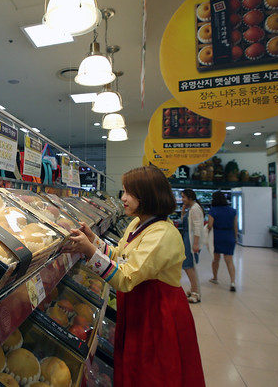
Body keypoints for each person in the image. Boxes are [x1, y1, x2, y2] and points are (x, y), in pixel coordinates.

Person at [65, 166, 205, 387]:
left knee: (153, 372)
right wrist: (93, 241)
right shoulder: (138, 223)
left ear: (147, 194)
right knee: (133, 366)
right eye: (123, 191)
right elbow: (121, 256)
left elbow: (126, 278)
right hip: (139, 307)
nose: (123, 198)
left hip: (157, 312)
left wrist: (90, 252)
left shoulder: (163, 234)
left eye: (129, 192)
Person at [207, 191, 238, 291]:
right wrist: (235, 237)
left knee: (216, 259)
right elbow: (235, 225)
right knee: (229, 261)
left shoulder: (213, 210)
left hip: (217, 236)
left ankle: (215, 277)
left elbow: (210, 225)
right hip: (229, 235)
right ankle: (232, 282)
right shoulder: (232, 211)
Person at [180, 189, 204, 303]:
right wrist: (183, 212)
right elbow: (184, 222)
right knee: (190, 265)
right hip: (187, 239)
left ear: (190, 197)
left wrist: (195, 243)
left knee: (188, 265)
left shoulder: (195, 209)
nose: (182, 199)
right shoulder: (191, 209)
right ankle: (194, 288)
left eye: (183, 197)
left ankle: (195, 292)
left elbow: (198, 227)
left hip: (190, 240)